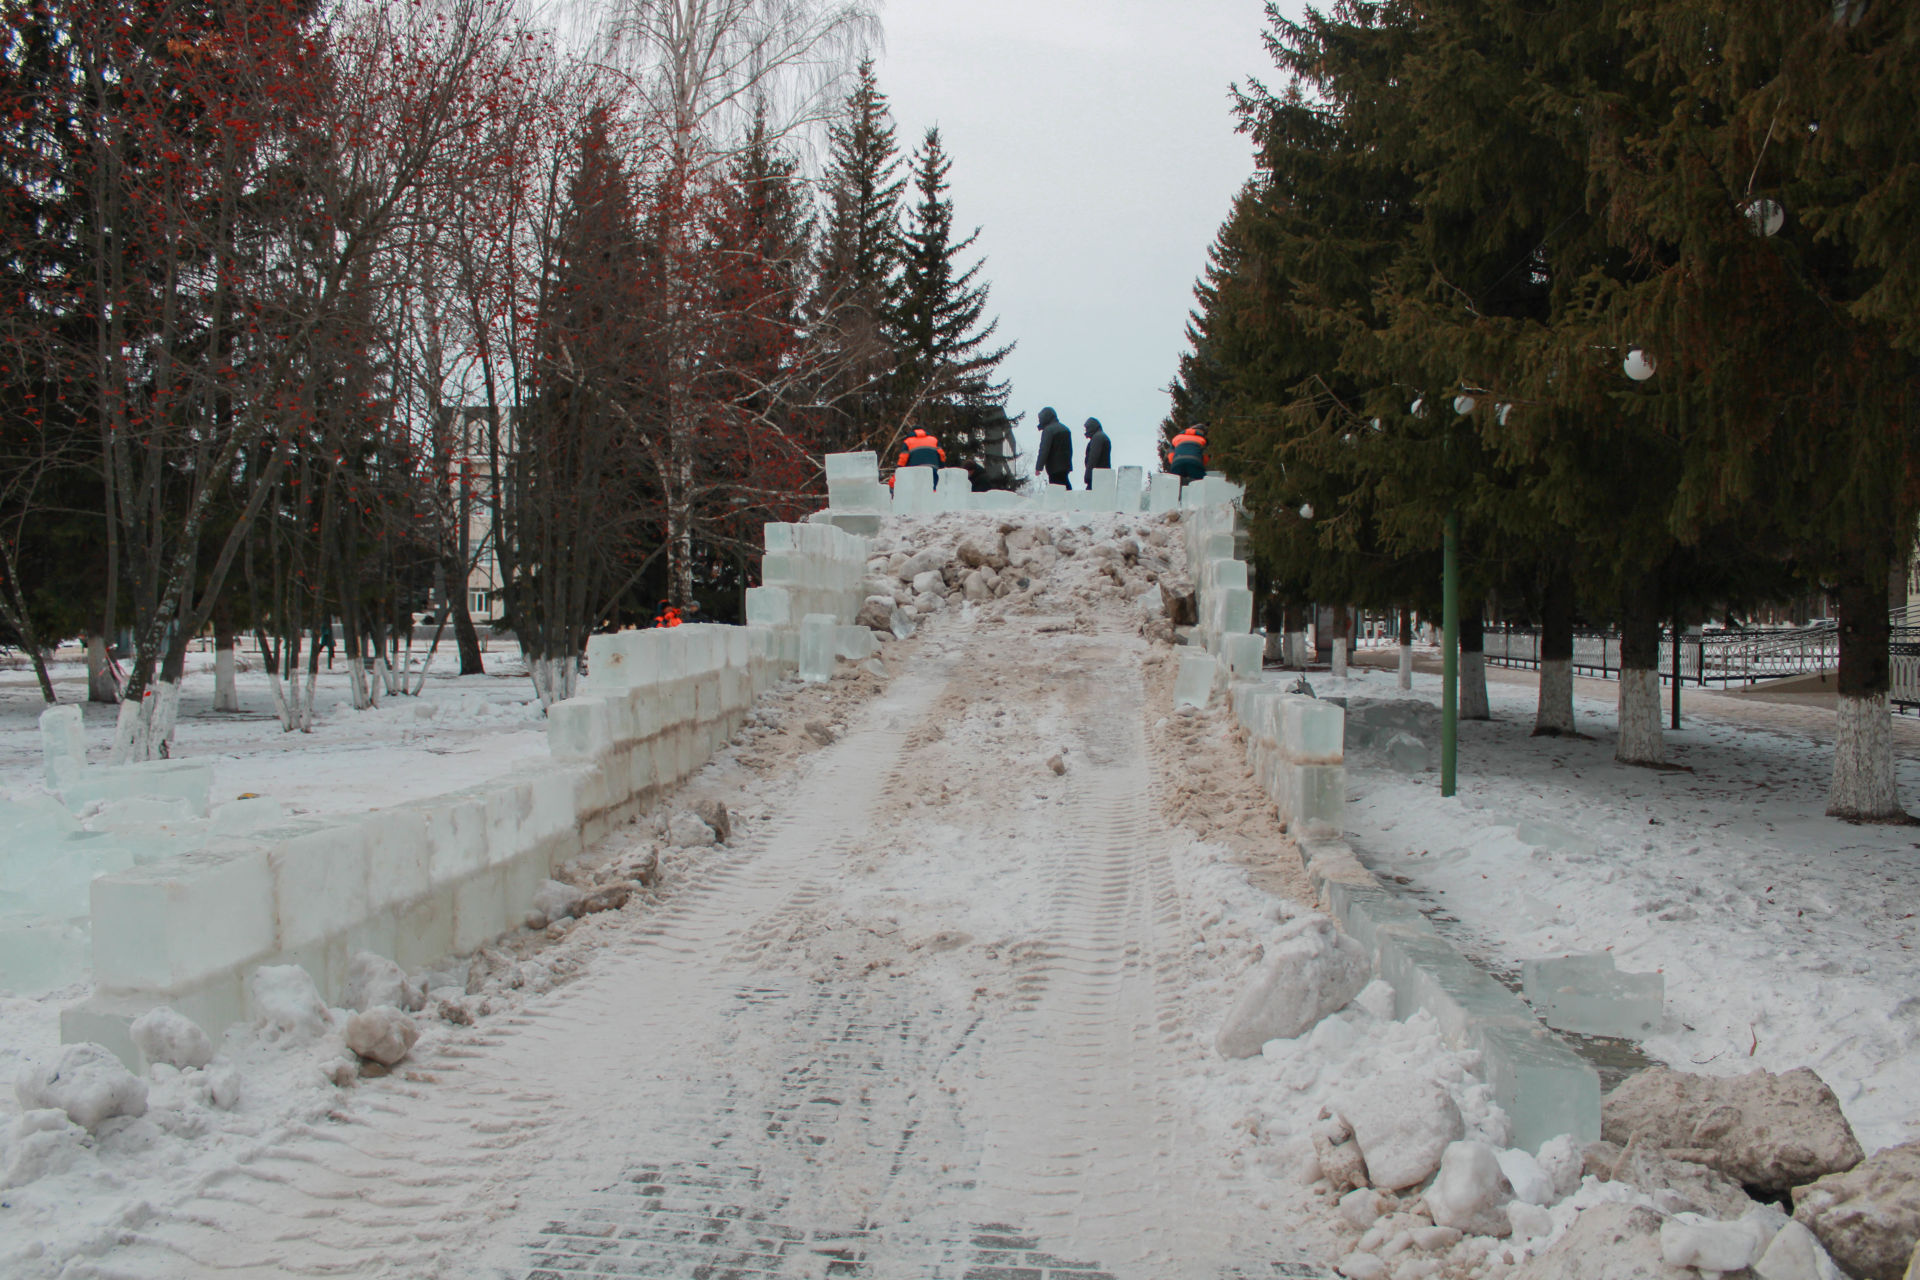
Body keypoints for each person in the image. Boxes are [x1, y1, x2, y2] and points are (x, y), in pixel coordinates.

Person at [1034, 406, 1073, 490]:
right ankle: (1070, 500)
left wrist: (1038, 467)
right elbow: (1070, 450)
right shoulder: (1066, 429)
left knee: (1056, 488)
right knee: (1065, 483)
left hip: (1054, 466)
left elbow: (1044, 449)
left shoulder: (1048, 430)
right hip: (1066, 464)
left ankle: (1064, 502)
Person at [896, 424, 946, 489]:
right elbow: (942, 455)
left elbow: (903, 460)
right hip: (933, 470)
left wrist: (898, 471)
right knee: (933, 490)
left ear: (912, 432)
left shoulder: (908, 442)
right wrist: (942, 467)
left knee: (918, 491)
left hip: (916, 472)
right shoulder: (934, 440)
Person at [1165, 422, 1209, 487]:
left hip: (1177, 463)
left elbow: (1170, 455)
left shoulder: (1177, 437)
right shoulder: (1203, 440)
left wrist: (1175, 463)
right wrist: (1201, 464)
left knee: (1175, 486)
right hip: (1194, 463)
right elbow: (1206, 456)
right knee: (1200, 484)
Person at [1082, 417, 1112, 489]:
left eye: (1087, 428)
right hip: (1102, 475)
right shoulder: (1100, 436)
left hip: (1097, 477)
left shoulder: (1097, 438)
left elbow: (1093, 458)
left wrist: (1088, 475)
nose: (1086, 432)